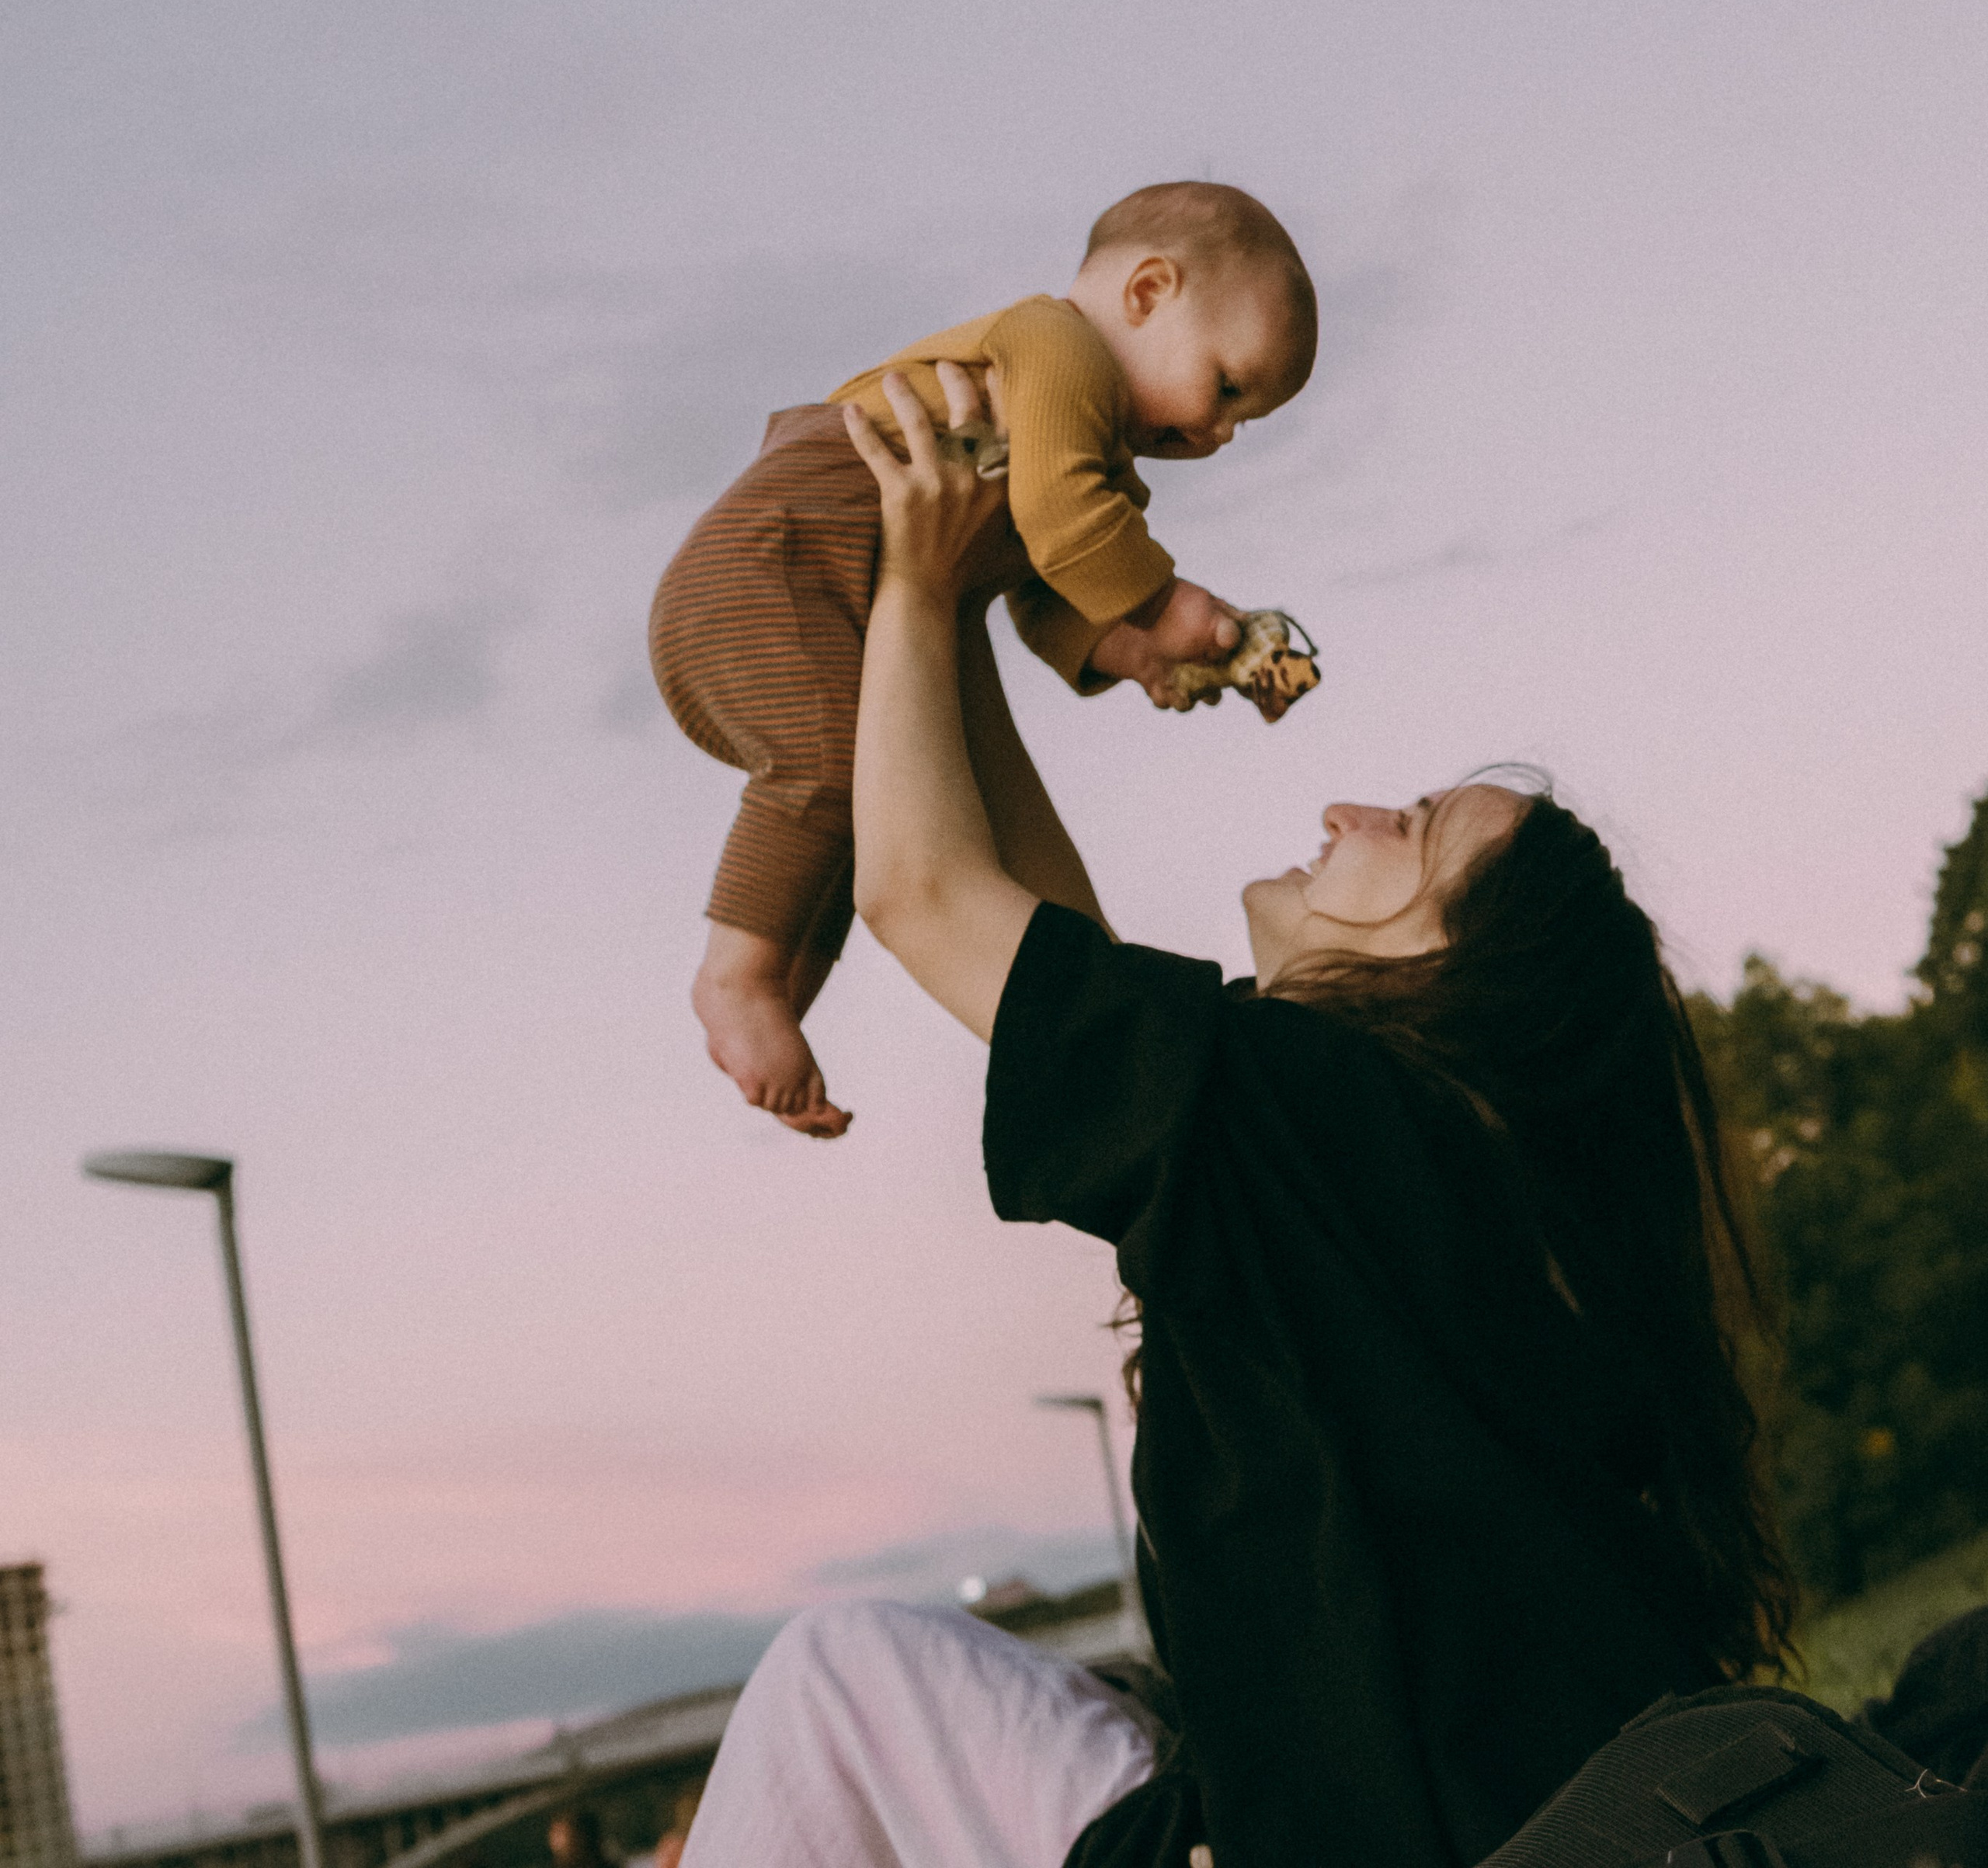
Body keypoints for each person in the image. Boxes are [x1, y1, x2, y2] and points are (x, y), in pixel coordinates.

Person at [679, 366, 1793, 1868]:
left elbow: (926, 895)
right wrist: (949, 597)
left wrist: (914, 569)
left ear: (1459, 989)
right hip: (1309, 1818)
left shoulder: (1336, 1118)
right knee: (851, 1680)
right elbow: (1047, 945)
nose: (1349, 812)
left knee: (838, 1686)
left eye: (1418, 838)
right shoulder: (1403, 1180)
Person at [648, 182, 1318, 1137]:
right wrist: (1165, 605)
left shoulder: (1080, 453)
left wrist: (1127, 652)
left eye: (1244, 423)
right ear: (1147, 292)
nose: (1217, 434)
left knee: (873, 802)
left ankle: (780, 987)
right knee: (836, 773)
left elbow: (1042, 591)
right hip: (772, 567)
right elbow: (1060, 520)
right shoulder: (1057, 348)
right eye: (1226, 386)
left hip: (826, 593)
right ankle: (737, 976)